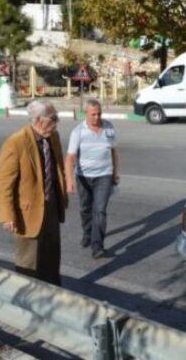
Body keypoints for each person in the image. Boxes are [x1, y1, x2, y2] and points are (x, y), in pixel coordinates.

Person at [0, 100, 67, 286]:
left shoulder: (53, 137)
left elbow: (58, 167)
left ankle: (52, 298)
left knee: (51, 259)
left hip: (51, 208)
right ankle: (28, 303)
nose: (56, 122)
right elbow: (3, 183)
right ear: (38, 120)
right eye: (53, 118)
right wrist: (7, 215)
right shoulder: (15, 143)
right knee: (29, 263)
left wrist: (63, 193)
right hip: (27, 213)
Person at [65, 99, 120, 259]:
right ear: (86, 114)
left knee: (100, 211)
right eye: (93, 114)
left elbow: (114, 152)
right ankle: (87, 234)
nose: (97, 117)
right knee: (85, 209)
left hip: (104, 176)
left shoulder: (109, 127)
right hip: (83, 177)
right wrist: (69, 181)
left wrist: (115, 173)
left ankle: (97, 247)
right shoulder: (78, 132)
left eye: (99, 114)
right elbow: (69, 158)